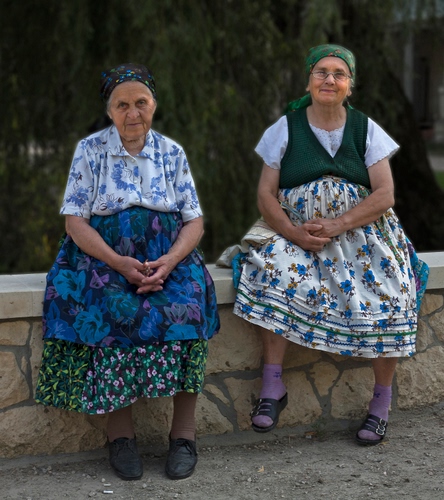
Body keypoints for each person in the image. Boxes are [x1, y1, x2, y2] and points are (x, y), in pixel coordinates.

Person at [233, 44, 428, 445]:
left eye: (339, 74)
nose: (329, 80)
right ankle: (272, 387)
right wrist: (293, 233)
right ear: (309, 80)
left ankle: (381, 403)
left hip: (363, 234)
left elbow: (385, 194)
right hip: (297, 230)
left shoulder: (365, 129)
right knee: (271, 270)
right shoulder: (285, 128)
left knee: (393, 291)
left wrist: (339, 223)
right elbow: (266, 195)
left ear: (349, 86)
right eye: (321, 72)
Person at [35, 63, 220, 480]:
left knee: (190, 307)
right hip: (103, 257)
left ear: (154, 105)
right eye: (122, 105)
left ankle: (184, 436)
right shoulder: (90, 151)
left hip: (166, 256)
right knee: (112, 310)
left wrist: (170, 261)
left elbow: (194, 220)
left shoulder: (171, 152)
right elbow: (75, 221)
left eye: (141, 102)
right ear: (109, 110)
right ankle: (120, 437)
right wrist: (118, 262)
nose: (132, 113)